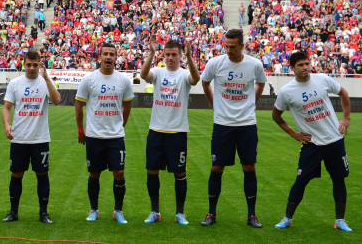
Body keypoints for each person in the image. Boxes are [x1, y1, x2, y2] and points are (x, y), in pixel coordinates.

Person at [272, 51, 352, 232]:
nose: (305, 67)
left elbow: (344, 93)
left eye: (307, 63)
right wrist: (293, 134)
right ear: (292, 69)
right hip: (311, 144)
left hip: (335, 140)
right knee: (300, 181)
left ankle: (340, 220)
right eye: (300, 65)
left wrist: (346, 119)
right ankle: (287, 218)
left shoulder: (322, 79)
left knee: (338, 179)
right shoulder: (286, 92)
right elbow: (276, 115)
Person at [199, 28, 267, 228]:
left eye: (233, 47)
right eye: (226, 46)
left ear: (242, 46)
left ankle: (252, 215)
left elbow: (261, 84)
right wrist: (214, 105)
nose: (228, 50)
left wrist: (251, 103)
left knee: (249, 168)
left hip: (247, 125)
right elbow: (205, 83)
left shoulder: (254, 64)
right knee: (216, 168)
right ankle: (211, 213)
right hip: (222, 124)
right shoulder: (215, 63)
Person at [140, 39, 200, 225]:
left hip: (177, 131)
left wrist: (190, 58)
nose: (171, 58)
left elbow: (196, 79)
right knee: (152, 171)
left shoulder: (184, 74)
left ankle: (180, 213)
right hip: (156, 130)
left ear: (180, 55)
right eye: (167, 54)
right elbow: (143, 75)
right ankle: (155, 211)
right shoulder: (158, 72)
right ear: (163, 55)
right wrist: (151, 53)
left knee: (179, 173)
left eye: (174, 54)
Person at [75, 43, 134, 224]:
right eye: (105, 54)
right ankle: (94, 210)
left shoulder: (124, 80)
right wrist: (81, 129)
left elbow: (128, 105)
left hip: (116, 137)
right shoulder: (89, 80)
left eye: (112, 54)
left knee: (119, 172)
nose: (108, 57)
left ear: (116, 58)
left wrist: (121, 125)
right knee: (94, 173)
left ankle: (118, 211)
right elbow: (79, 105)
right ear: (99, 57)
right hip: (94, 136)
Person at [1, 51, 61, 224]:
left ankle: (43, 213)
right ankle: (13, 212)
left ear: (40, 64)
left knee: (42, 174)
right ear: (24, 64)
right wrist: (6, 124)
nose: (32, 68)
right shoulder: (15, 83)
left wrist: (47, 78)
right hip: (19, 138)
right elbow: (6, 108)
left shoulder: (45, 82)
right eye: (29, 64)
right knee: (16, 174)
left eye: (35, 65)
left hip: (40, 138)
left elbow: (57, 100)